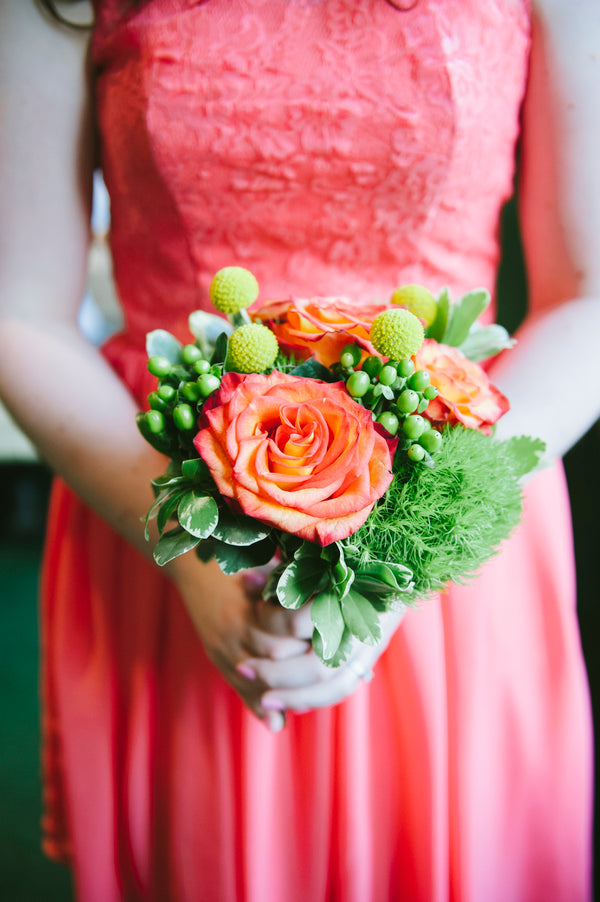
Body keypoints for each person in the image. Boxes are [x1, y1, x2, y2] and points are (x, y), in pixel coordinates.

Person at [0, 0, 598, 899]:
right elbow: (17, 310)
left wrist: (405, 557)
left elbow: (591, 297)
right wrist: (196, 558)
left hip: (448, 547)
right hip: (160, 511)